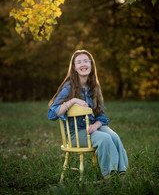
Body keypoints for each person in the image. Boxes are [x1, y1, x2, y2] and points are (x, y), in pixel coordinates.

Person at [47, 50, 128, 179]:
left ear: (91, 64)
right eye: (79, 62)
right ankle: (109, 176)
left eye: (86, 61)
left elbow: (101, 115)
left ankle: (122, 173)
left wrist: (96, 125)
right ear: (74, 67)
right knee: (105, 139)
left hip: (91, 127)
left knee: (114, 136)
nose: (83, 64)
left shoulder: (94, 87)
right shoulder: (69, 88)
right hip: (76, 134)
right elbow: (51, 114)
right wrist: (72, 101)